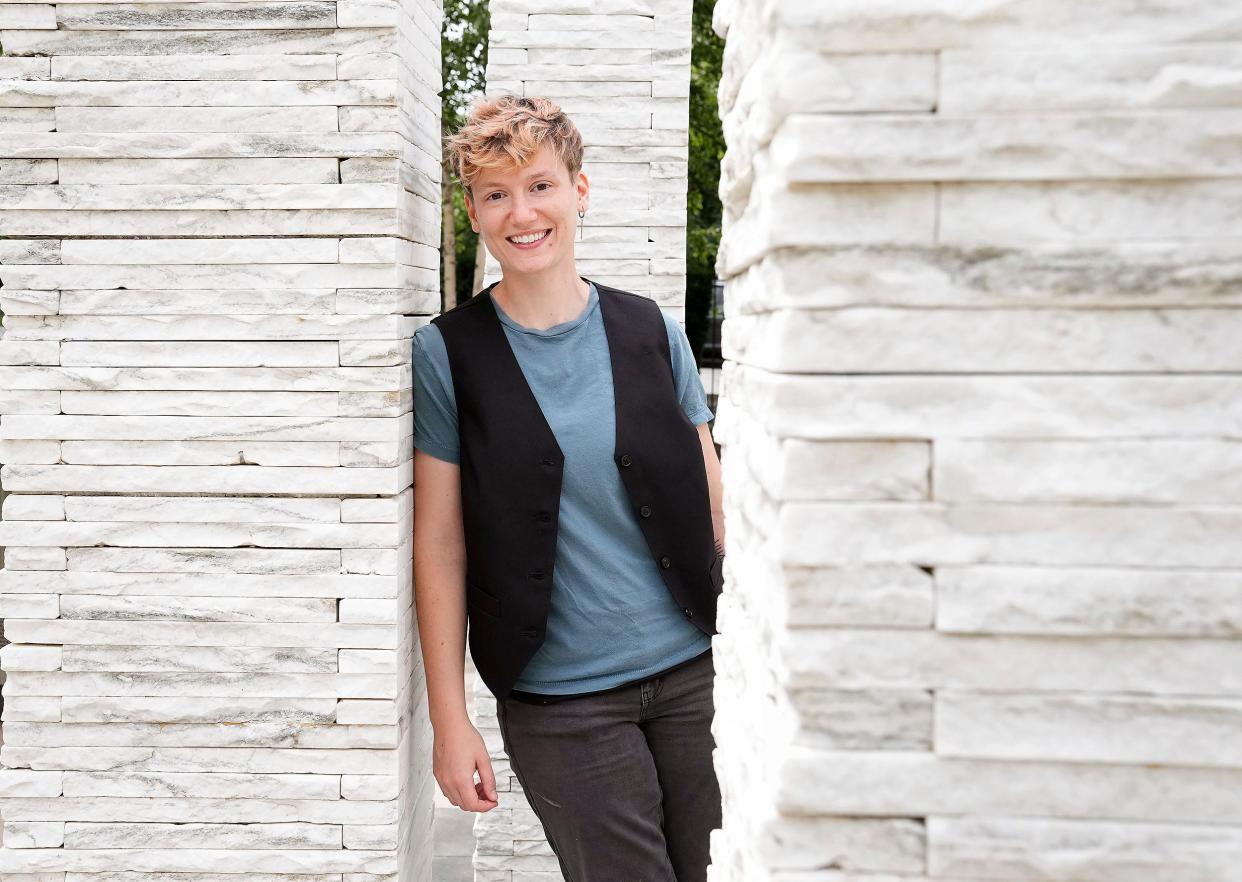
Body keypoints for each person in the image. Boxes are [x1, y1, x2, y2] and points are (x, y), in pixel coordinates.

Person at [412, 94, 725, 882]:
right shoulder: (449, 355)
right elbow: (441, 545)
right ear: (474, 212)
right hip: (564, 706)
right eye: (496, 194)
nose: (522, 212)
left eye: (540, 185)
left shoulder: (651, 329)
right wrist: (450, 721)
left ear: (578, 190)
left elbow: (712, 497)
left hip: (698, 679)